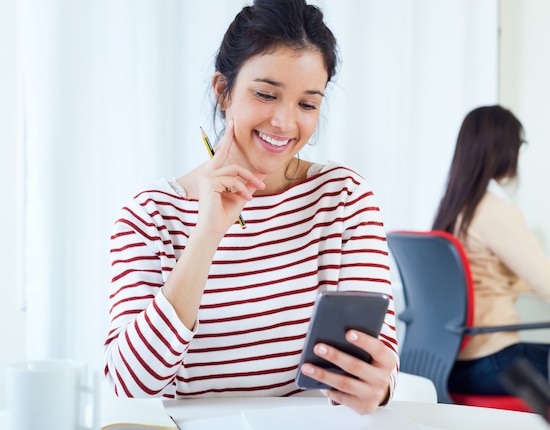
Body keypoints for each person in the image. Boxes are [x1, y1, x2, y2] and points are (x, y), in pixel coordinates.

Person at [103, 0, 398, 415]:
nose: (284, 122)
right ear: (223, 91)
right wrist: (206, 236)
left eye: (307, 104)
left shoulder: (343, 197)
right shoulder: (150, 215)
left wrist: (377, 385)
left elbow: (379, 357)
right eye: (265, 94)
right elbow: (129, 386)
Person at [431, 104, 550, 396]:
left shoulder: (455, 208)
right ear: (502, 149)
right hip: (493, 363)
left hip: (452, 362)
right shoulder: (496, 212)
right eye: (519, 144)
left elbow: (484, 278)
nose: (520, 154)